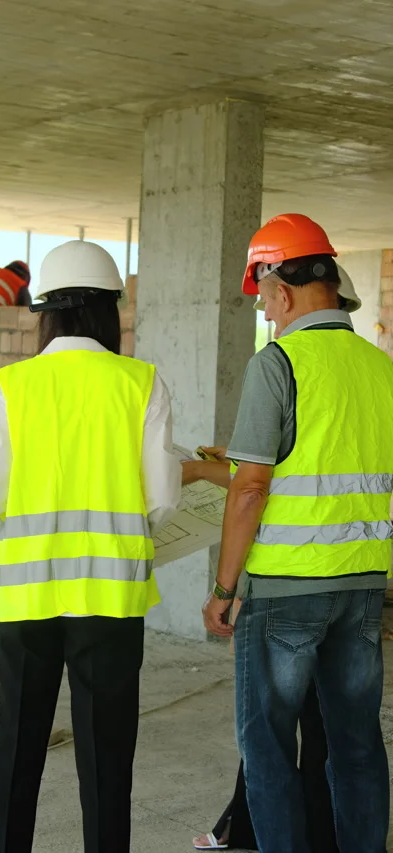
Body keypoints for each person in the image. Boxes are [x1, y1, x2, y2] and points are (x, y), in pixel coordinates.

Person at [0, 239, 181, 853]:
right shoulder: (141, 382)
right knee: (107, 758)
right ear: (110, 312)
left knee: (18, 746)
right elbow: (161, 497)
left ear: (45, 312)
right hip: (110, 600)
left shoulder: (14, 385)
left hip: (28, 599)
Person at [200, 213, 393, 853]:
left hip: (286, 594)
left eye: (262, 299)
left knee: (270, 746)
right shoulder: (377, 366)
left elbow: (253, 488)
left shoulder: (278, 361)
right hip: (363, 586)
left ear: (281, 288)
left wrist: (224, 586)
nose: (264, 314)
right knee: (358, 742)